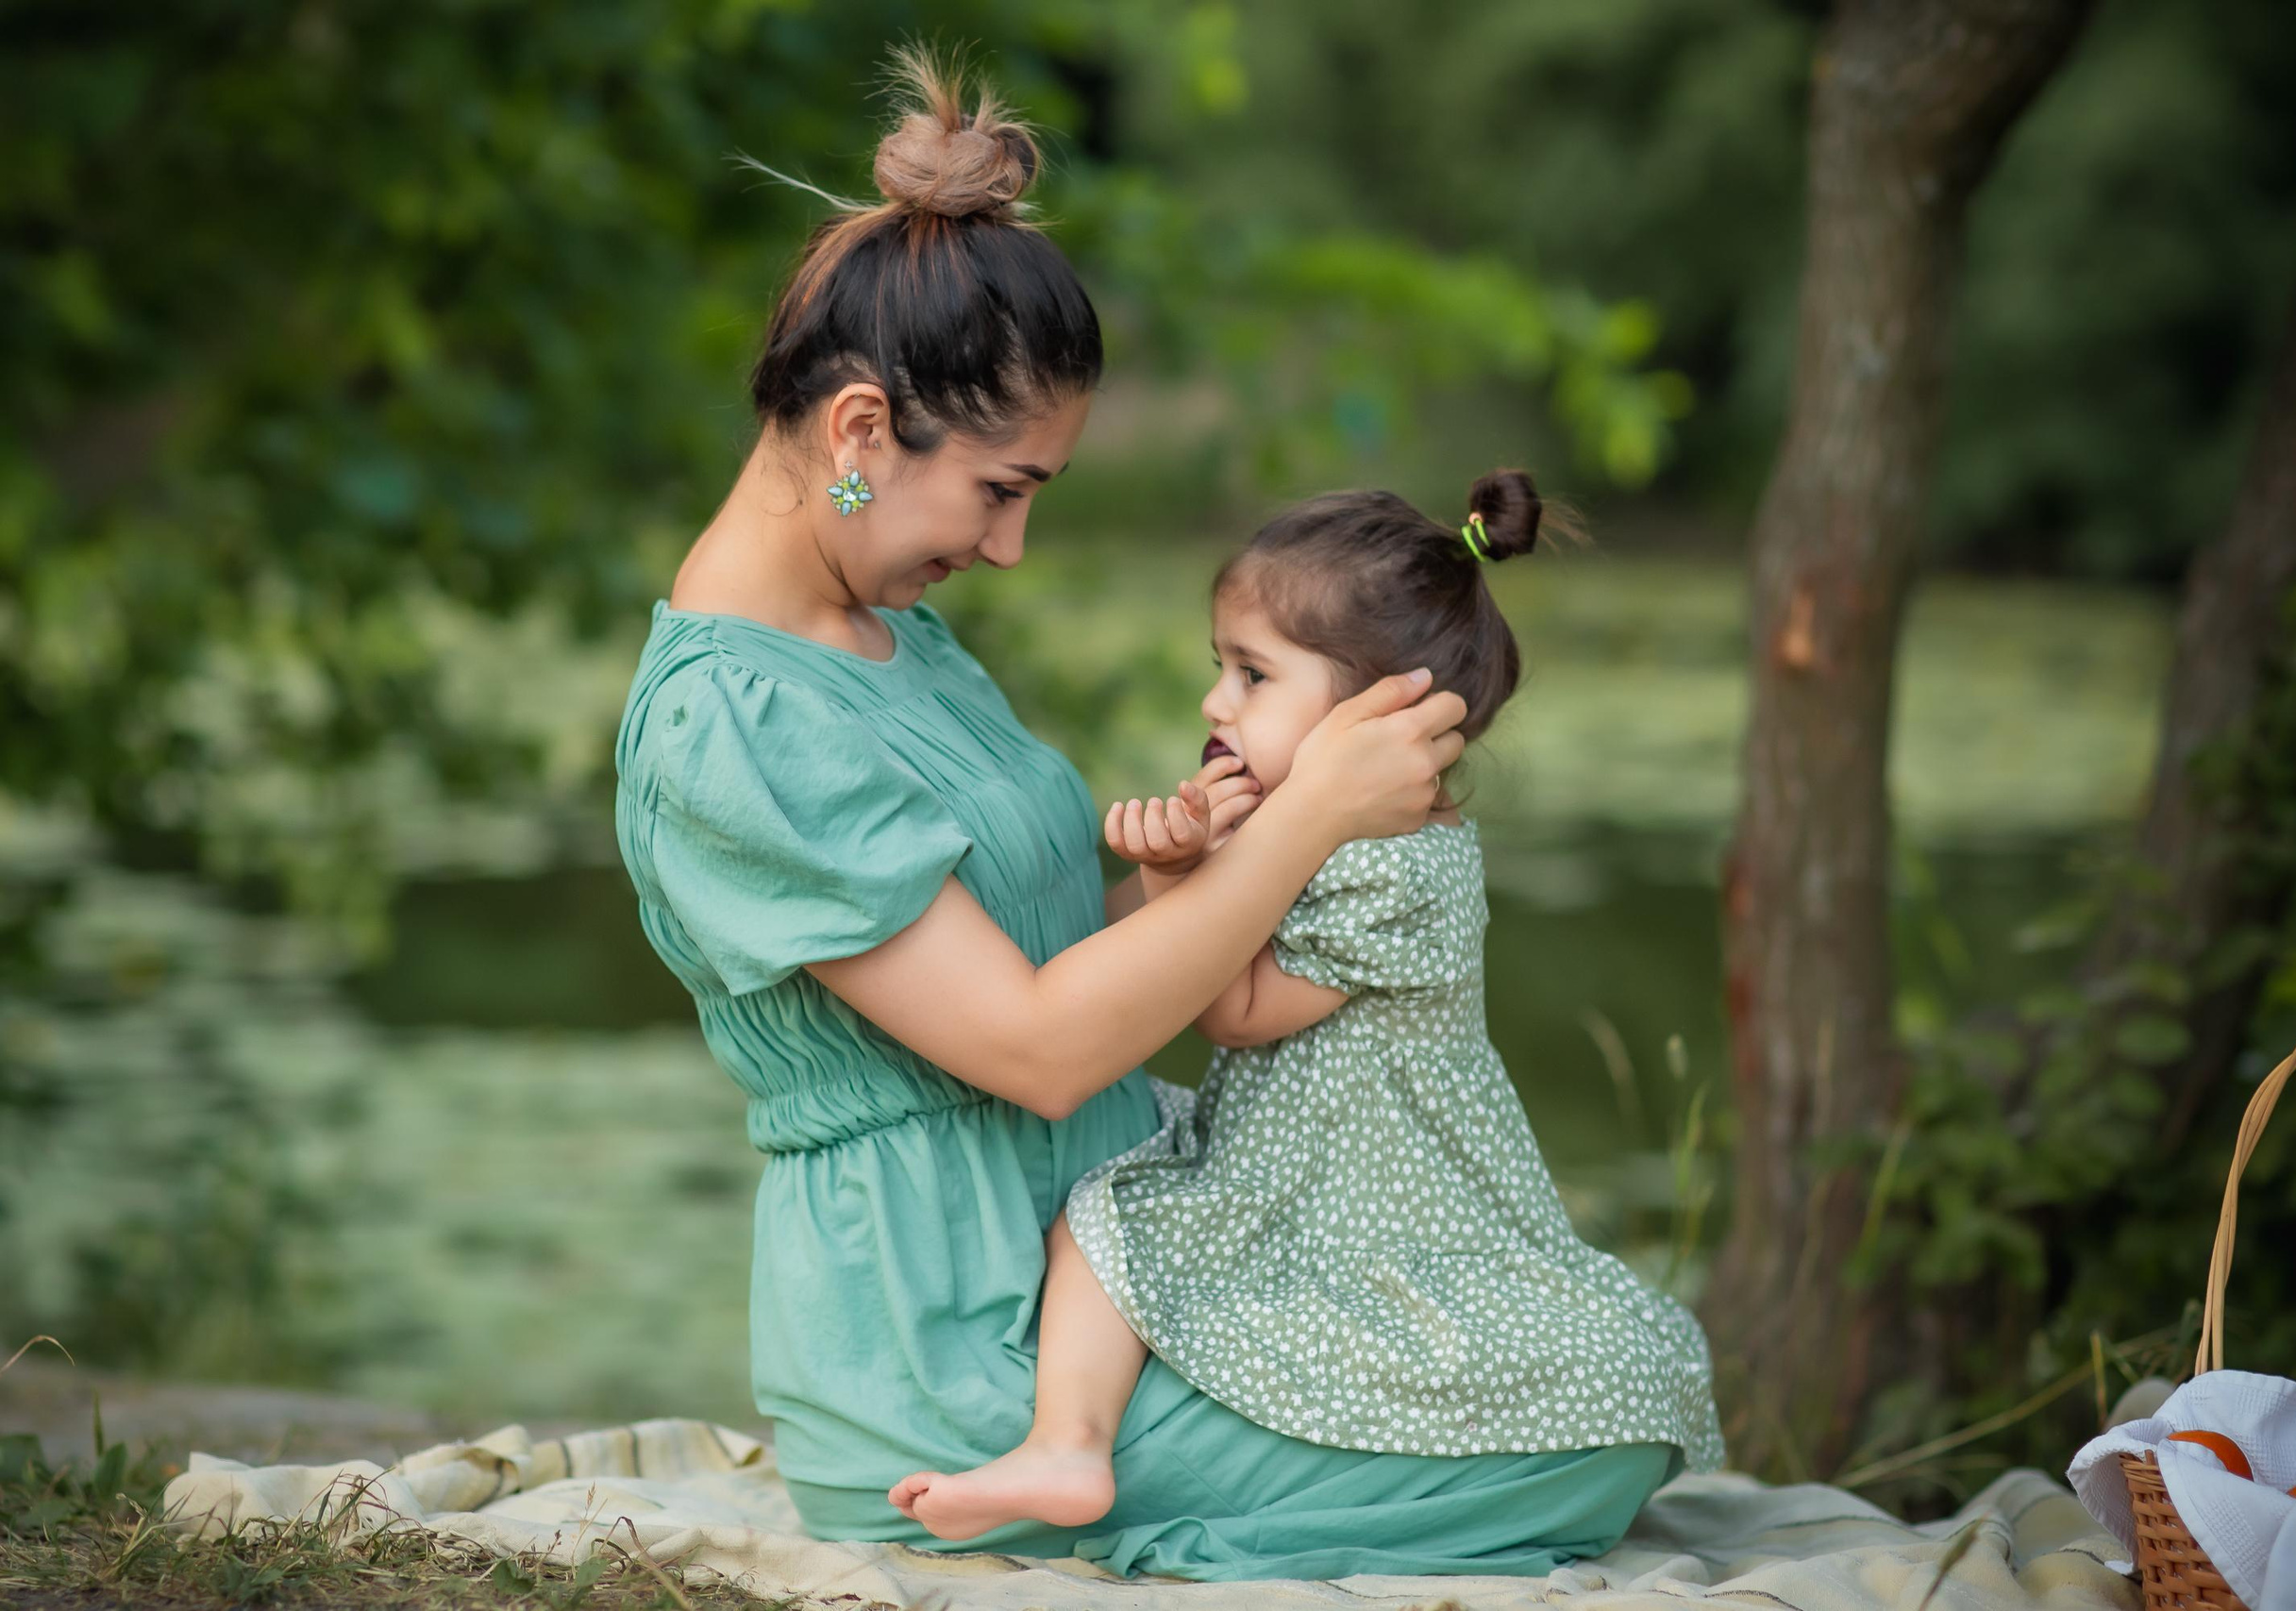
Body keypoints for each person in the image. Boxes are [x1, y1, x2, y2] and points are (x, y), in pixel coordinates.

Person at [615, 49, 1703, 1581]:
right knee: (1582, 1441)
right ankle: (1084, 1475)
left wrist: (1181, 862)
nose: (1011, 547)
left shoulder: (892, 636)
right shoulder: (736, 726)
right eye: (1000, 488)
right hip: (960, 1330)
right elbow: (1043, 1045)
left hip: (1135, 1221)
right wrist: (1307, 815)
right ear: (860, 434)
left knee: (1615, 1357)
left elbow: (1091, 951)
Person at [885, 472, 1723, 1543]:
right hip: (1291, 1148)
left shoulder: (1400, 867)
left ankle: (1082, 1446)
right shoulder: (1308, 827)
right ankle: (1066, 1447)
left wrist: (1182, 880)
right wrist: (1195, 859)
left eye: (1251, 675)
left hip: (1368, 1187)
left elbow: (1232, 1010)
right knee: (1100, 1221)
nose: (1214, 704)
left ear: (1382, 711)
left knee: (1119, 1220)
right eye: (1219, 668)